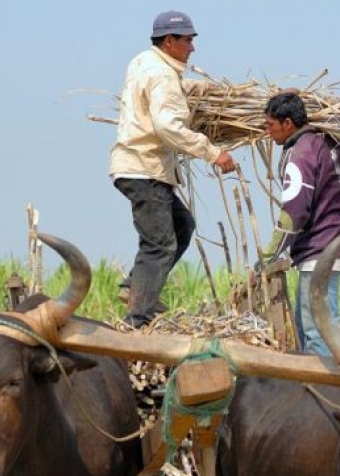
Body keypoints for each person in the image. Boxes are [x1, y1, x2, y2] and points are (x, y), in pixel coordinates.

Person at [109, 11, 236, 329]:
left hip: (138, 166)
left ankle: (134, 286)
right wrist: (213, 152)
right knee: (160, 244)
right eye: (188, 40)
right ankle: (137, 320)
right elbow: (169, 127)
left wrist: (197, 89)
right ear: (169, 41)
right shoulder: (163, 76)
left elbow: (164, 87)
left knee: (182, 226)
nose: (192, 47)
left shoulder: (143, 62)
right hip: (144, 168)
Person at [259, 93, 340, 356]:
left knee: (317, 333)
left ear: (287, 123)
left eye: (270, 125)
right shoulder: (322, 141)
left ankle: (324, 392)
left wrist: (269, 254)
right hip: (329, 245)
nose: (267, 132)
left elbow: (294, 212)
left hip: (321, 249)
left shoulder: (301, 153)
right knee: (310, 328)